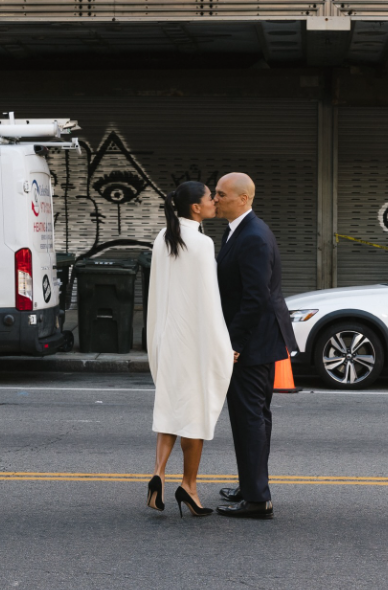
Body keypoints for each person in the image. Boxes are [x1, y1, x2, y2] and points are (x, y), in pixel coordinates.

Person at [145, 181, 233, 517]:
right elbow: (208, 302)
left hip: (167, 340)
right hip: (192, 341)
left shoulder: (163, 238)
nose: (215, 202)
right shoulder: (201, 243)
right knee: (194, 414)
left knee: (171, 407)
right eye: (211, 198)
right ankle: (189, 486)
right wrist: (223, 345)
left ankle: (158, 472)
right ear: (196, 208)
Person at [213, 173, 297, 519]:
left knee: (250, 418)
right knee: (253, 418)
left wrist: (235, 344)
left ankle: (258, 499)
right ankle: (251, 486)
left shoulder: (254, 237)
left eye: (221, 194)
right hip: (256, 340)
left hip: (254, 344)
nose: (214, 199)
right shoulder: (236, 231)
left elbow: (255, 297)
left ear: (243, 198)